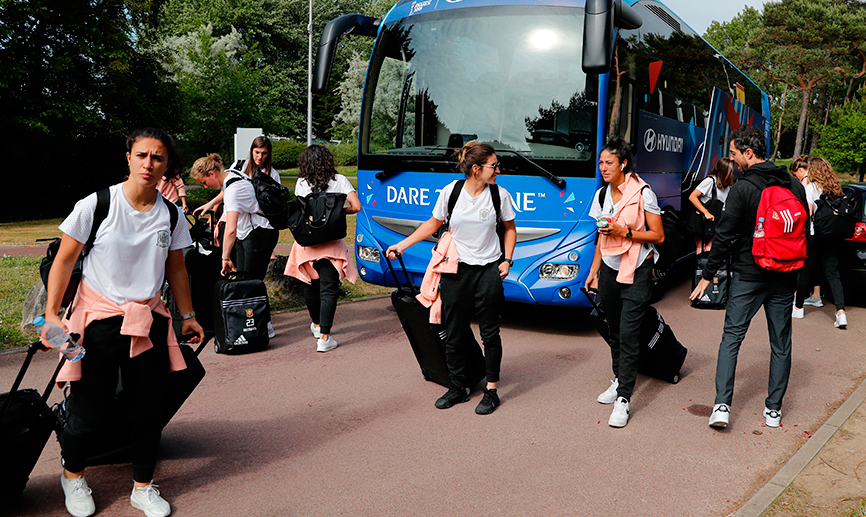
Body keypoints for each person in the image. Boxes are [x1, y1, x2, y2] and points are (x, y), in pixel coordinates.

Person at [43, 128, 205, 517]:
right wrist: (51, 314)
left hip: (147, 322)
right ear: (128, 158)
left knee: (148, 409)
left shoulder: (171, 214)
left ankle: (143, 486)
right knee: (89, 409)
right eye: (142, 155)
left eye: (158, 158)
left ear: (168, 165)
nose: (149, 164)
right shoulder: (97, 204)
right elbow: (64, 260)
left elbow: (177, 268)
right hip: (96, 322)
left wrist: (188, 316)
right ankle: (73, 474)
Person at [690, 126, 809, 430]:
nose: (732, 159)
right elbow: (802, 230)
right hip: (785, 274)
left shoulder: (743, 188)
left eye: (733, 153)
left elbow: (725, 236)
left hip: (749, 272)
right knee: (781, 343)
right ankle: (773, 409)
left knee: (732, 337)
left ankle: (721, 406)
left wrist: (707, 275)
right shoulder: (794, 186)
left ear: (748, 153)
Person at [386, 141, 516, 415]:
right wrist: (403, 245)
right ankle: (459, 386)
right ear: (477, 169)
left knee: (490, 333)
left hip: (489, 270)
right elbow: (433, 223)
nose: (498, 170)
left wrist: (507, 260)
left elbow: (509, 229)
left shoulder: (498, 195)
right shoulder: (452, 192)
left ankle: (491, 390)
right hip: (456, 270)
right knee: (454, 331)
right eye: (494, 166)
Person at [585, 137, 665, 428]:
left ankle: (624, 399)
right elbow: (600, 237)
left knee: (630, 334)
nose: (603, 167)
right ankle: (619, 379)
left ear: (624, 164)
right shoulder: (602, 195)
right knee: (615, 331)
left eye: (609, 162)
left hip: (637, 270)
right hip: (609, 268)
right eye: (601, 162)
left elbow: (658, 235)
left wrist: (625, 233)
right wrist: (593, 271)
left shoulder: (644, 193)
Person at [189, 153, 279, 337]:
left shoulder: (234, 191)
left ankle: (264, 327)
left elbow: (230, 229)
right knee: (246, 280)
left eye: (204, 182)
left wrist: (225, 258)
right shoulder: (231, 173)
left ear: (212, 174)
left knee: (251, 283)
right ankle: (259, 324)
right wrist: (211, 203)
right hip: (250, 232)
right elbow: (224, 191)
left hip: (260, 233)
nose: (205, 186)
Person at [284, 145, 361, 352]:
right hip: (331, 243)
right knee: (329, 290)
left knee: (310, 285)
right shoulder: (340, 180)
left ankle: (317, 326)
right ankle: (325, 338)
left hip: (307, 242)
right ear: (328, 160)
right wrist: (339, 212)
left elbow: (302, 209)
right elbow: (357, 206)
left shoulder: (301, 182)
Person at [792, 156, 847, 328]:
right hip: (832, 236)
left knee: (805, 272)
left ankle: (799, 308)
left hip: (815, 235)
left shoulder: (811, 187)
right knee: (832, 273)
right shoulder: (835, 188)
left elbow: (808, 213)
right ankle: (841, 312)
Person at [192, 135, 281, 217]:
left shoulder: (273, 174)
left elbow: (275, 201)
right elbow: (226, 191)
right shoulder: (239, 166)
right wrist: (214, 208)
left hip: (260, 221)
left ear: (268, 154)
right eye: (257, 152)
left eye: (264, 153)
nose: (260, 156)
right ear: (251, 151)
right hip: (238, 218)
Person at [789, 155, 823, 307]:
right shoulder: (822, 182)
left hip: (811, 230)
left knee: (804, 267)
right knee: (818, 265)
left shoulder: (807, 184)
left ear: (801, 170)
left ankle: (798, 301)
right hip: (824, 230)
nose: (796, 178)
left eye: (795, 175)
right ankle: (816, 295)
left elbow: (807, 211)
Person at [688, 157, 733, 253]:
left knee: (710, 247)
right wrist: (705, 212)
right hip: (703, 222)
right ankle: (700, 267)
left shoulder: (728, 187)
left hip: (716, 222)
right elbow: (692, 197)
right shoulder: (710, 181)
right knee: (701, 248)